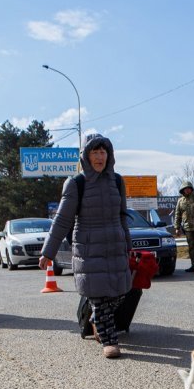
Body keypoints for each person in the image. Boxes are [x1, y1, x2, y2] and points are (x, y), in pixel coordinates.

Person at [39, 134, 132, 359]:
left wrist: (127, 243)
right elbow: (62, 220)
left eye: (103, 152)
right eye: (94, 153)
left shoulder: (117, 181)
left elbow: (122, 215)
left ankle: (95, 322)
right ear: (86, 156)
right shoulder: (76, 183)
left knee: (120, 292)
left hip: (114, 245)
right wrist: (47, 252)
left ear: (109, 155)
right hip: (89, 248)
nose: (100, 157)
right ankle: (109, 341)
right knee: (99, 297)